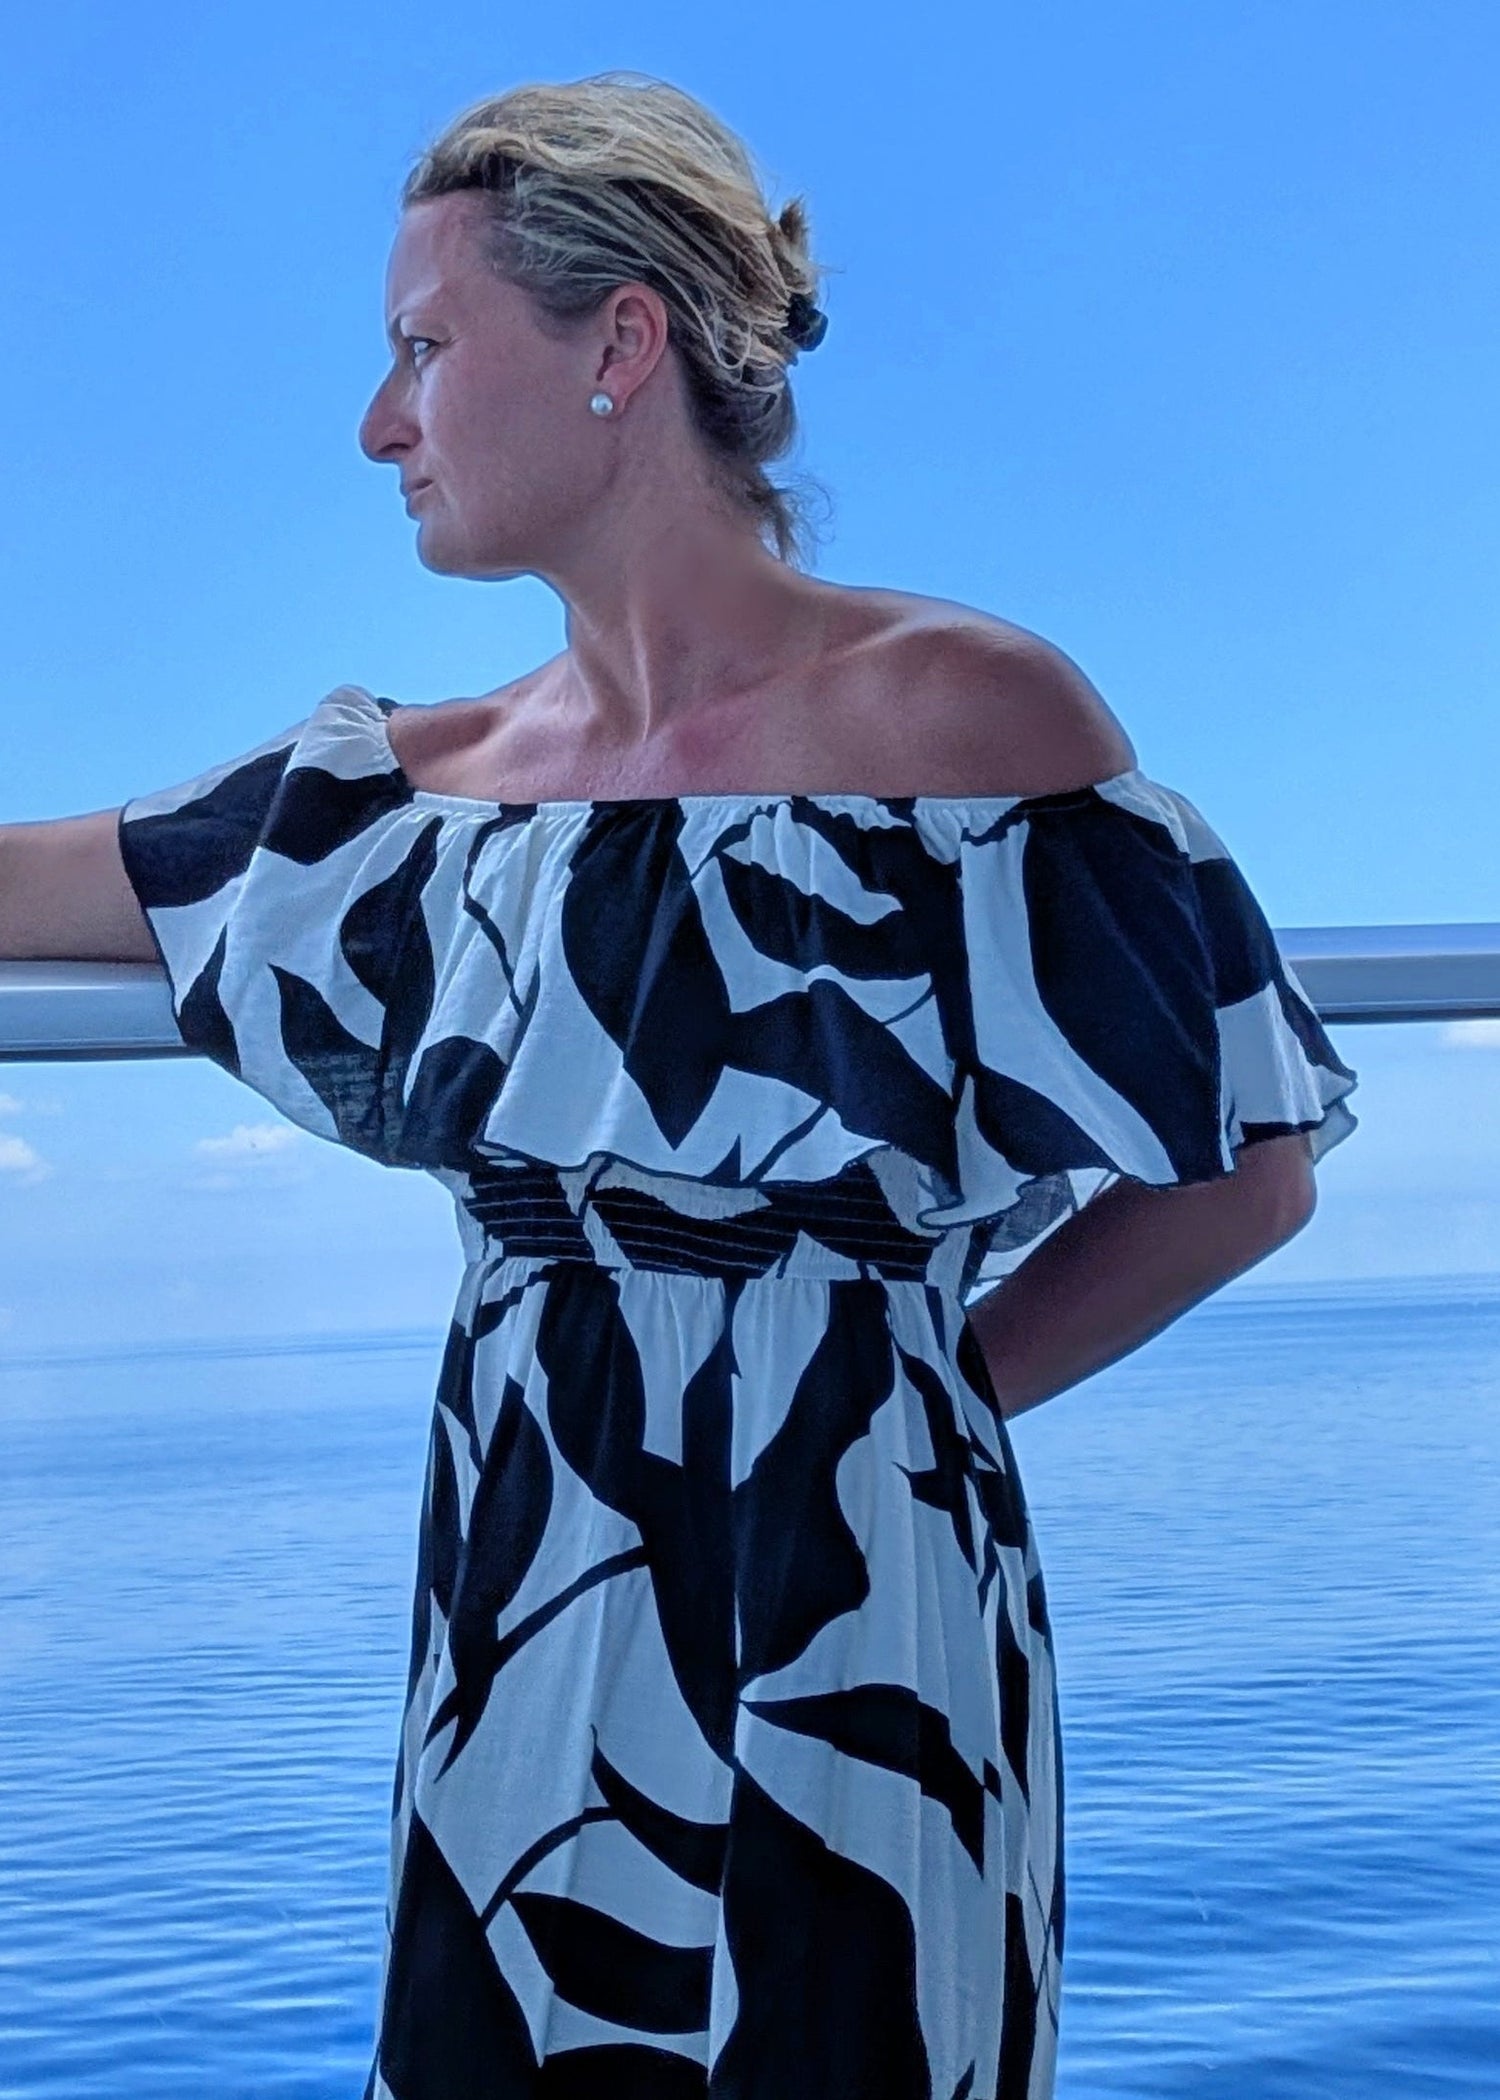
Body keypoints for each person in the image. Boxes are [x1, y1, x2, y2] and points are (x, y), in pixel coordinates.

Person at [0, 69, 1360, 2100]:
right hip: (526, 1588)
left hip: (869, 1591)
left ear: (618, 343)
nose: (383, 420)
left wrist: (915, 1392)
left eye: (423, 348)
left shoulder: (966, 719)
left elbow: (1245, 1170)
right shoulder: (416, 799)